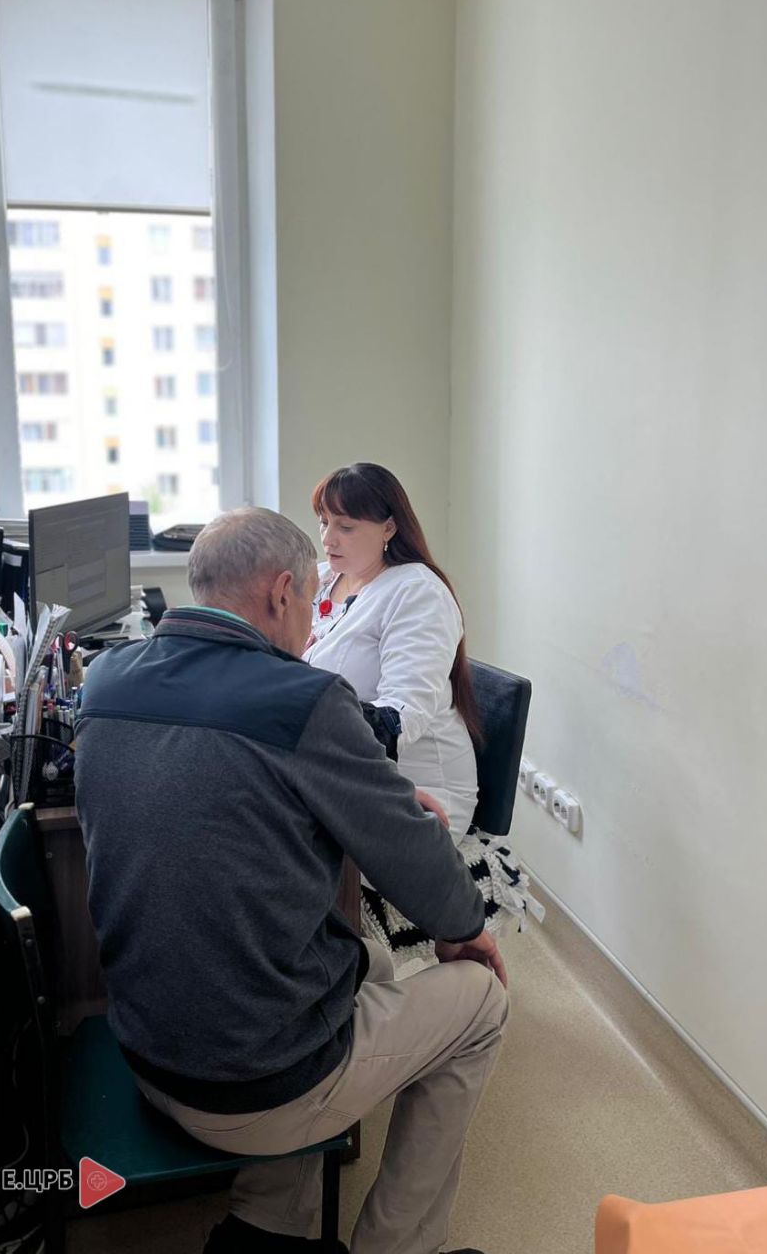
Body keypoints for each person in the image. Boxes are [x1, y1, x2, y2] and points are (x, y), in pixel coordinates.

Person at [75, 506, 508, 1254]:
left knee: (368, 961)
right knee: (481, 1001)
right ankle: (400, 1247)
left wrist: (372, 794)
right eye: (311, 600)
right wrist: (467, 932)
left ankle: (268, 1222)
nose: (312, 625)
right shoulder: (302, 699)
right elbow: (414, 857)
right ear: (281, 593)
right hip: (250, 1087)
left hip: (144, 1049)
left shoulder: (106, 679)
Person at [304, 465, 532, 967]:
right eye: (323, 522)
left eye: (346, 526)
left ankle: (342, 984)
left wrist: (311, 737)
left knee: (289, 847)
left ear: (389, 527)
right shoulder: (323, 580)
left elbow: (400, 718)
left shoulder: (417, 592)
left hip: (422, 791)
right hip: (347, 774)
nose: (328, 538)